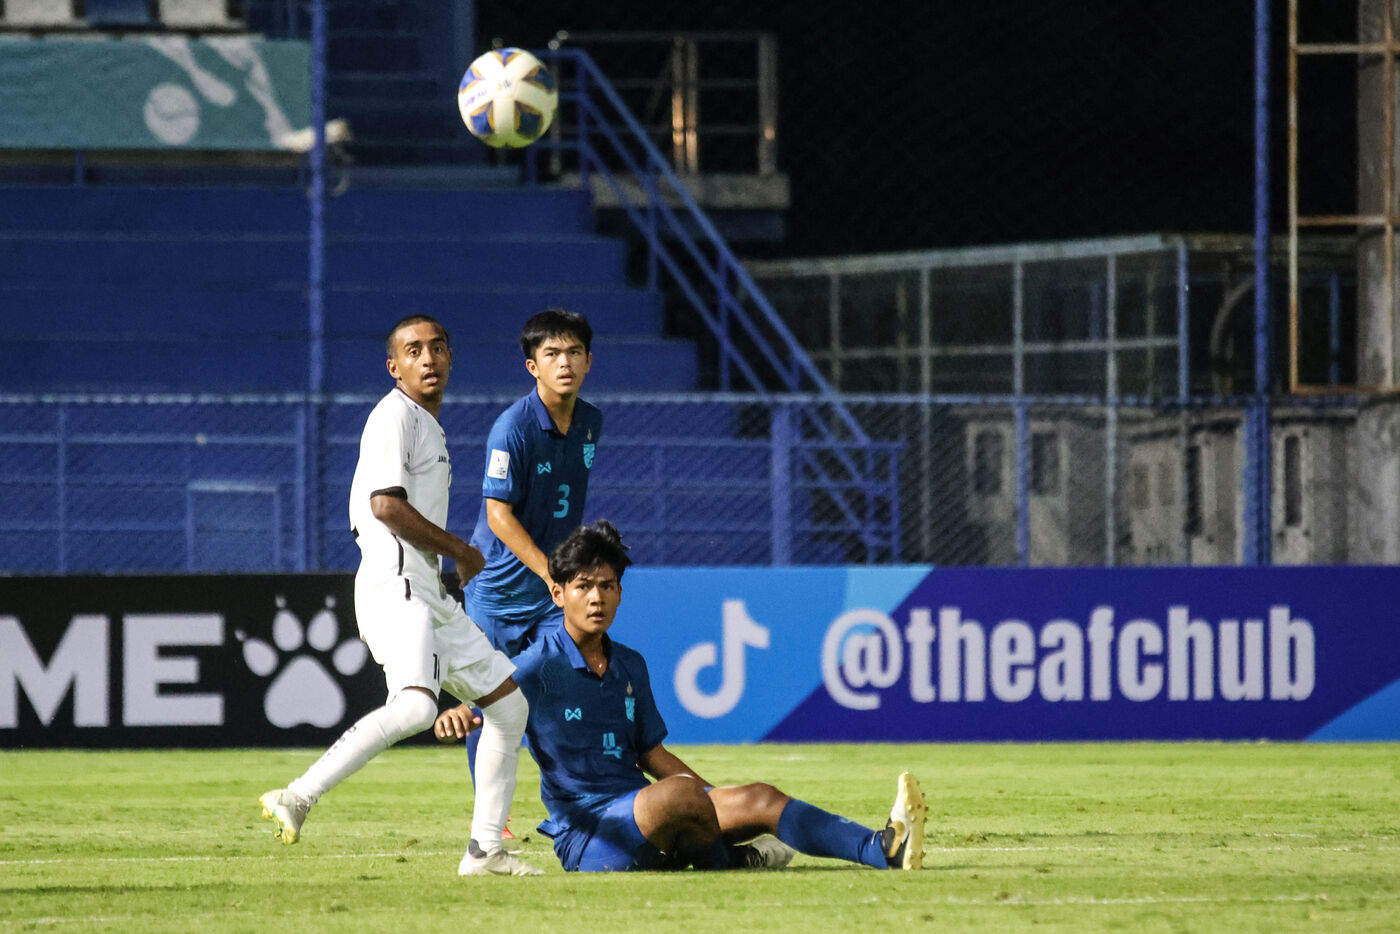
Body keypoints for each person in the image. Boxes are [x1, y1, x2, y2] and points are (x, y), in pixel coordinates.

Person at [435, 520, 928, 873]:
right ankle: (730, 859)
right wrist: (458, 714)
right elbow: (489, 704)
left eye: (607, 586)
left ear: (620, 593)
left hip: (647, 805)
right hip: (590, 835)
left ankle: (882, 847)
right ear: (558, 594)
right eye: (583, 586)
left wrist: (716, 800)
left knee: (759, 796)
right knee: (681, 795)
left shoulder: (630, 664)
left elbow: (652, 754)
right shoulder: (536, 665)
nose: (596, 597)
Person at [258, 314, 542, 877]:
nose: (428, 358)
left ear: (451, 357)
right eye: (414, 351)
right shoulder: (393, 416)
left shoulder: (427, 426)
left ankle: (484, 852)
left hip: (425, 586)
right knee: (415, 706)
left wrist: (447, 564)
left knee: (509, 707)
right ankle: (298, 795)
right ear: (394, 367)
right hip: (396, 580)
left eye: (437, 347)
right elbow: (385, 505)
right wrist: (462, 551)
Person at [458, 309, 602, 835]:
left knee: (564, 693)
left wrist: (567, 570)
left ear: (588, 361)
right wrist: (550, 572)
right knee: (492, 702)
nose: (565, 363)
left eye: (574, 353)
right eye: (552, 354)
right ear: (532, 366)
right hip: (498, 592)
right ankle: (491, 822)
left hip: (550, 594)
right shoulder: (512, 428)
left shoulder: (591, 422)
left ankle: (573, 810)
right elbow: (498, 515)